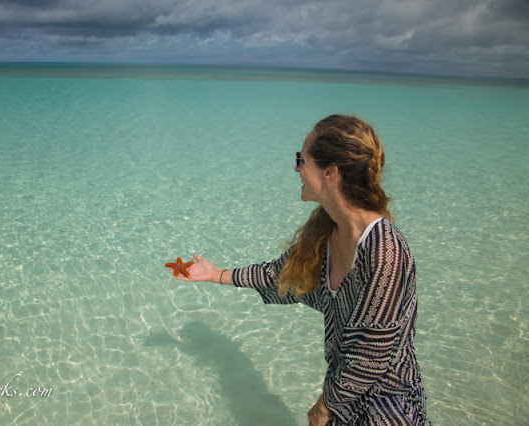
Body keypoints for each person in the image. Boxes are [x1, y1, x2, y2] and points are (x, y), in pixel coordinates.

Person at [166, 114, 428, 425]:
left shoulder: (384, 250)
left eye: (300, 160)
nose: (296, 169)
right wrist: (216, 274)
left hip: (386, 405)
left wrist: (323, 407)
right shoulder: (326, 230)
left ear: (330, 171)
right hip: (342, 395)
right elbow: (282, 275)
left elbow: (371, 355)